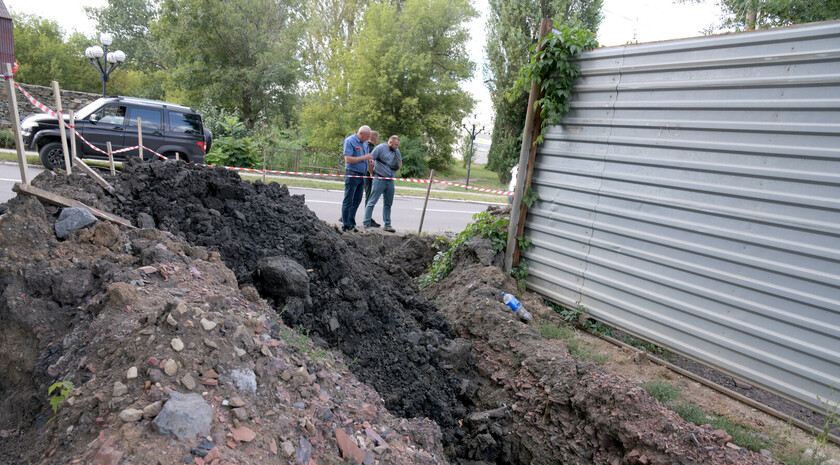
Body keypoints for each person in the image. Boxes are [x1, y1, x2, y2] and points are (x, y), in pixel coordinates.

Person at [362, 135, 401, 233]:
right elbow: (369, 160)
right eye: (396, 145)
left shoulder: (397, 151)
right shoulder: (380, 148)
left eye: (398, 145)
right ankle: (367, 223)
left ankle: (387, 225)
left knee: (388, 203)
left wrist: (394, 171)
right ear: (390, 142)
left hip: (390, 179)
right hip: (379, 178)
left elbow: (400, 163)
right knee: (372, 201)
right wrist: (372, 173)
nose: (397, 147)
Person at [340, 126, 372, 232]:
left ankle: (351, 224)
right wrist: (365, 158)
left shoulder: (365, 143)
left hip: (362, 174)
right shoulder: (350, 141)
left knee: (357, 200)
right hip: (352, 174)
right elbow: (348, 159)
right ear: (361, 133)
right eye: (367, 136)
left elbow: (366, 158)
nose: (368, 139)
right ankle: (345, 225)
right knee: (348, 200)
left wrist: (369, 163)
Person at [363, 131, 381, 228]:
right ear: (375, 139)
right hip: (368, 175)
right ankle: (368, 219)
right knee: (369, 197)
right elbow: (371, 163)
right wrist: (372, 173)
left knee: (355, 196)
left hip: (361, 173)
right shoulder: (373, 149)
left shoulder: (364, 146)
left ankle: (345, 216)